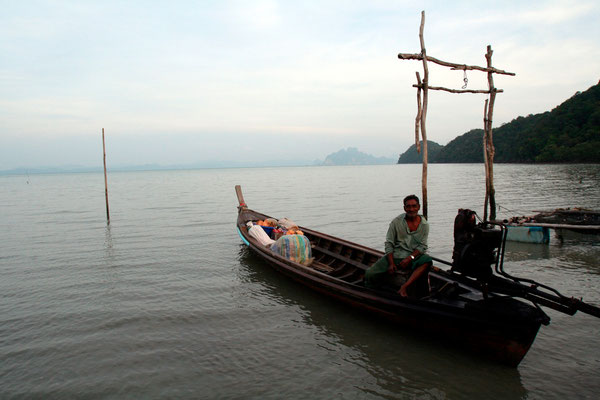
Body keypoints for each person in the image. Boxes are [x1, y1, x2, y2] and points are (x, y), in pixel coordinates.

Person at [364, 194, 433, 297]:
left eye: (414, 206)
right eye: (408, 206)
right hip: (396, 256)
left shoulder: (424, 225)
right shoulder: (396, 222)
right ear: (404, 208)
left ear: (418, 207)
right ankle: (373, 293)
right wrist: (391, 263)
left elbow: (422, 247)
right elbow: (389, 244)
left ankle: (404, 287)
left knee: (427, 260)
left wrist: (410, 258)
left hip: (413, 257)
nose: (411, 209)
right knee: (369, 274)